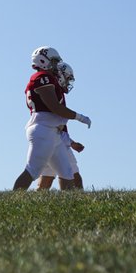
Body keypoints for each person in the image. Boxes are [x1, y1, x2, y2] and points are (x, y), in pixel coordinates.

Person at [12, 47, 91, 190]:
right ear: (43, 60)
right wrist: (79, 117)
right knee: (33, 170)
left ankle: (70, 208)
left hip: (53, 133)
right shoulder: (42, 77)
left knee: (67, 173)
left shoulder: (47, 78)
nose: (56, 65)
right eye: (54, 61)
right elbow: (55, 107)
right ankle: (11, 202)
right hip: (44, 129)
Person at [37, 61, 84, 190]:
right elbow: (57, 123)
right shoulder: (54, 93)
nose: (68, 82)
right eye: (67, 78)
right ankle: (76, 205)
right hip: (55, 139)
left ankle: (31, 207)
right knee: (75, 178)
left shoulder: (52, 90)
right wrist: (70, 141)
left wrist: (71, 142)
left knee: (46, 178)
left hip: (47, 138)